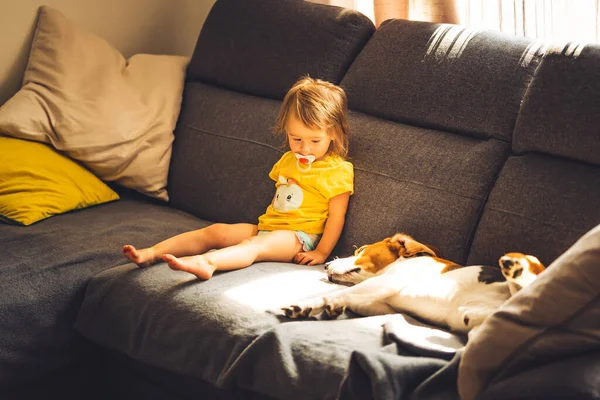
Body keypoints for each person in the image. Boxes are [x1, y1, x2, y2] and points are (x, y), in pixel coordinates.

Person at [122, 76, 354, 280]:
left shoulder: (337, 170)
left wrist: (321, 252)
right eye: (296, 139)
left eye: (314, 141)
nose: (304, 149)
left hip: (299, 238)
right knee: (215, 232)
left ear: (333, 132)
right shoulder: (287, 161)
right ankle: (151, 253)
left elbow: (336, 217)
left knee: (254, 245)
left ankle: (207, 263)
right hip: (268, 227)